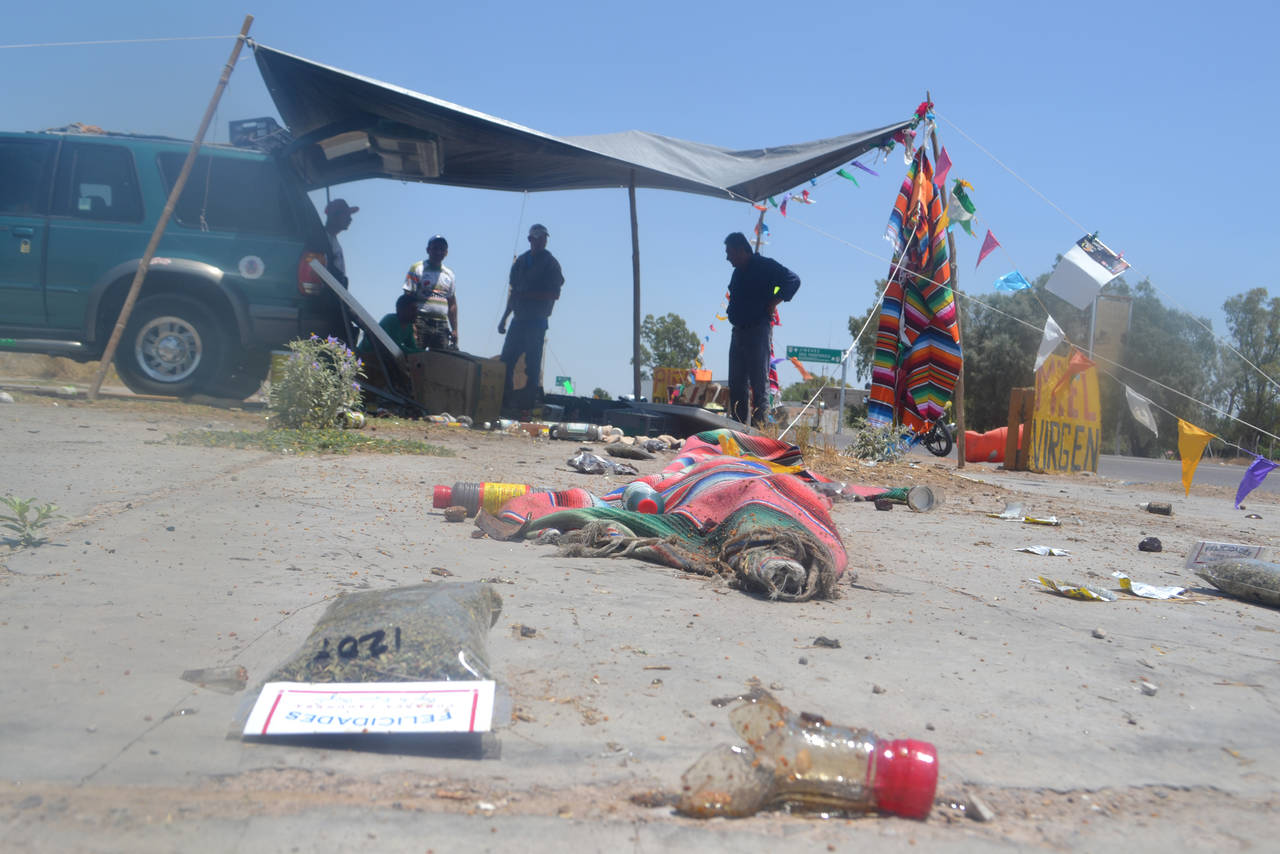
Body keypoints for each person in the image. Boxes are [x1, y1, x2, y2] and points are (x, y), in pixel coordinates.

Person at [723, 231, 800, 426]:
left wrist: (774, 302)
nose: (728, 258)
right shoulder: (737, 273)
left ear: (741, 250)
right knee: (736, 384)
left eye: (730, 253)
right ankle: (739, 427)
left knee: (759, 383)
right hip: (738, 332)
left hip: (757, 330)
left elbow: (793, 280)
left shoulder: (765, 266)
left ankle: (760, 430)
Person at [499, 223, 564, 411]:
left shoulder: (551, 263)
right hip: (518, 320)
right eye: (537, 237)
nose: (541, 241)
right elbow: (514, 293)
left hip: (537, 321)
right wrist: (504, 318)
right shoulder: (520, 262)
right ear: (530, 239)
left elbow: (555, 294)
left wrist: (528, 295)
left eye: (544, 238)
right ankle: (506, 402)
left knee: (533, 366)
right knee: (506, 361)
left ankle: (526, 407)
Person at [403, 234, 458, 350]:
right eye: (435, 248)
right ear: (428, 250)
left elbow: (452, 303)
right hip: (420, 321)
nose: (438, 252)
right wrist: (411, 324)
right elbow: (407, 297)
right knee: (415, 355)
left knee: (441, 358)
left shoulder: (449, 274)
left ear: (446, 252)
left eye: (442, 249)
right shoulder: (417, 268)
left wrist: (454, 329)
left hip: (441, 324)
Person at [358, 293, 423, 355]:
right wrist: (421, 352)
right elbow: (396, 348)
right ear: (400, 310)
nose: (416, 313)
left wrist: (422, 353)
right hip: (364, 356)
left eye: (416, 309)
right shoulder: (391, 320)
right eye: (413, 309)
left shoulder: (409, 326)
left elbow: (412, 348)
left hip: (380, 358)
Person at [323, 198, 358, 288]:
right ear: (335, 216)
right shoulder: (321, 239)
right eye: (346, 214)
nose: (350, 219)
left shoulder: (333, 241)